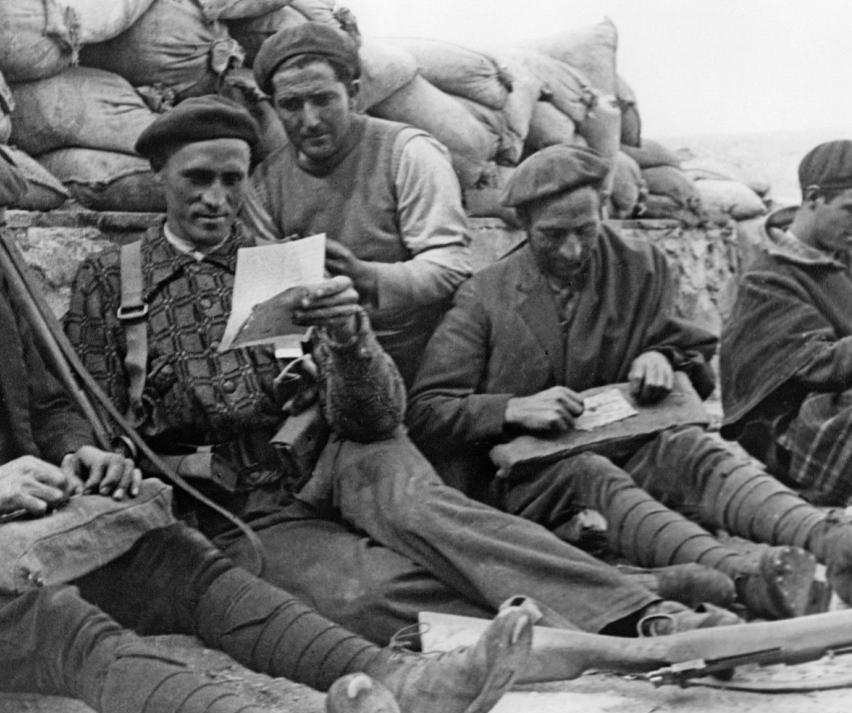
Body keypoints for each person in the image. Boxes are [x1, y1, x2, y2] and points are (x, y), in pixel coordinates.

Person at [64, 95, 739, 660]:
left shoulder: (281, 266)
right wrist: (106, 460)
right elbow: (83, 412)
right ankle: (600, 608)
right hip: (230, 500)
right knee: (364, 594)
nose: (216, 199)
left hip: (337, 455)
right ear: (160, 174)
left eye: (233, 180)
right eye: (197, 179)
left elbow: (377, 418)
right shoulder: (112, 281)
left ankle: (647, 619)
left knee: (430, 513)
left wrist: (351, 341)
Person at [0, 114, 543, 713]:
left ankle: (403, 681)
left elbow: (48, 403)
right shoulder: (108, 279)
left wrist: (79, 450)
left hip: (36, 529)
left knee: (181, 562)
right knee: (67, 629)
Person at [407, 143, 852, 619]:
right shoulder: (484, 297)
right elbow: (427, 411)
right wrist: (511, 409)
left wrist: (662, 358)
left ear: (603, 210)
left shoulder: (638, 266)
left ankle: (830, 539)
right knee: (592, 476)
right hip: (530, 477)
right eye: (552, 236)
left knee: (689, 450)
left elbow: (690, 351)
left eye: (585, 230)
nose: (572, 250)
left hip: (629, 443)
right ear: (523, 224)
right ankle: (749, 578)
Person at [249, 22, 472, 385]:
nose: (310, 120)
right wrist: (293, 370)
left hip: (419, 352)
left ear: (352, 94)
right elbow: (273, 315)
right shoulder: (263, 184)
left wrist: (367, 276)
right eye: (290, 105)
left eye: (323, 99)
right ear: (273, 107)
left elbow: (451, 265)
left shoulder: (408, 153)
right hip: (325, 361)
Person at [722, 140, 852, 515]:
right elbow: (816, 366)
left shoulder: (842, 255)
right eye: (850, 210)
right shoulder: (767, 278)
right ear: (813, 198)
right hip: (792, 430)